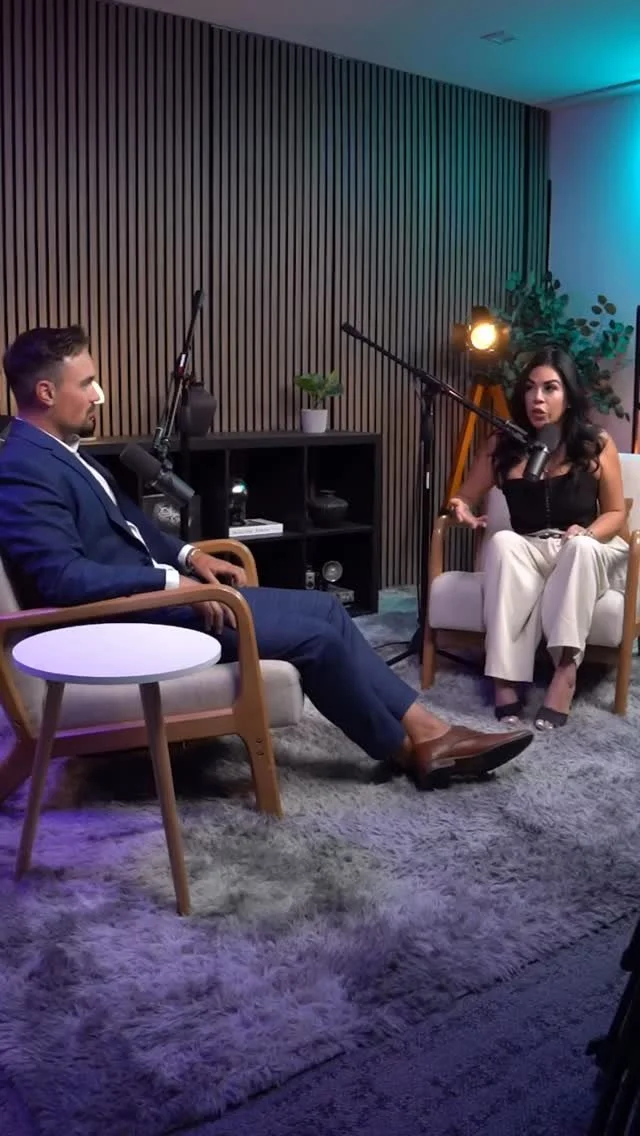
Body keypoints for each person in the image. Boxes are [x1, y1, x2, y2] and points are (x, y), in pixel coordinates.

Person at [0, 326, 533, 789]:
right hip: (124, 624)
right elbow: (62, 580)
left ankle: (425, 733)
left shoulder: (62, 452)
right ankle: (410, 745)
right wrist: (172, 585)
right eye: (87, 383)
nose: (99, 393)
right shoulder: (24, 468)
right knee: (316, 639)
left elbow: (132, 526)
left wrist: (189, 556)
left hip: (151, 602)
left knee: (327, 609)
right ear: (46, 392)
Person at [448, 345, 629, 730]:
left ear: (569, 395)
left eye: (550, 388)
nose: (538, 398)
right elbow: (464, 496)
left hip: (586, 550)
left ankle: (565, 671)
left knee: (580, 547)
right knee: (502, 542)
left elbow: (616, 513)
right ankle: (504, 678)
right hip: (530, 548)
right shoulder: (503, 444)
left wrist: (587, 532)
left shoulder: (595, 444)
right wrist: (461, 508)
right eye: (530, 388)